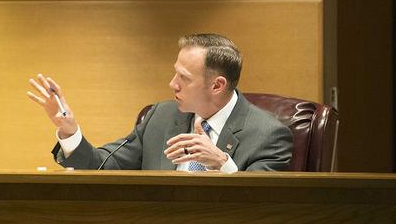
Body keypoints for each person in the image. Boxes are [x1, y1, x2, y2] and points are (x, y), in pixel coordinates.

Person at [27, 33, 293, 172]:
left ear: (217, 85)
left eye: (184, 78)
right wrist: (69, 131)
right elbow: (101, 165)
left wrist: (222, 162)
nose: (172, 84)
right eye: (175, 72)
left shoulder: (268, 134)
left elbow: (262, 210)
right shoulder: (160, 117)